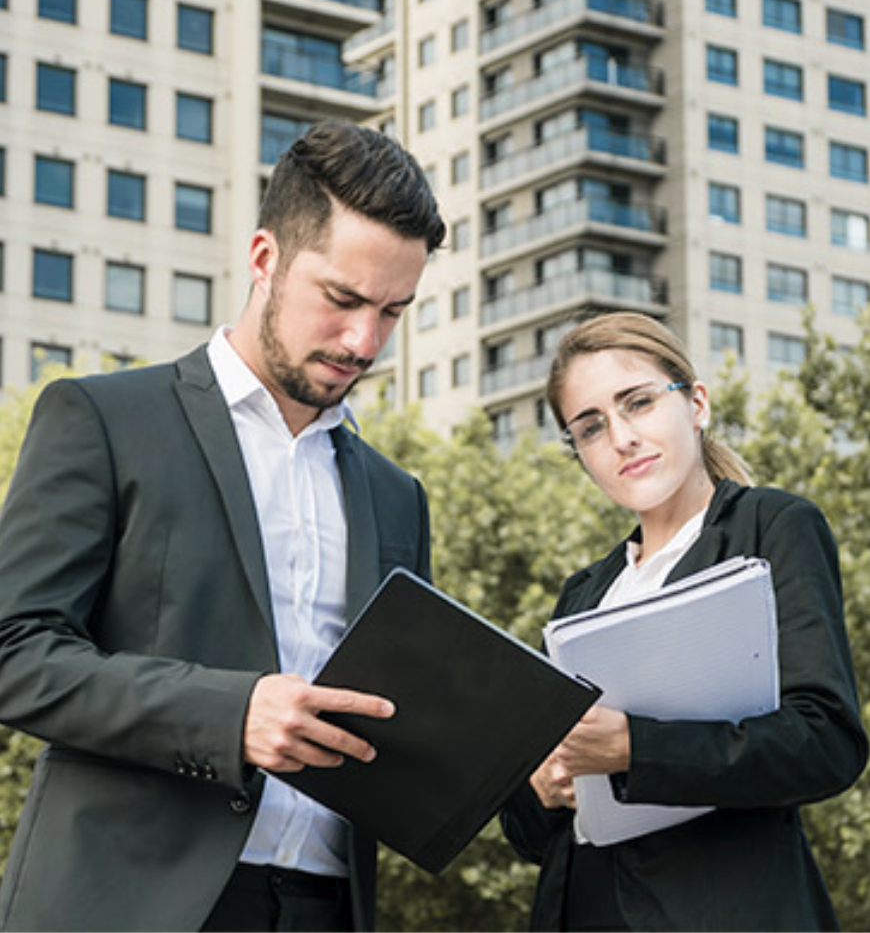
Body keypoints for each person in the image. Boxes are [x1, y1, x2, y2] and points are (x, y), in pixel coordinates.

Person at [0, 122, 445, 932]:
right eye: (342, 299)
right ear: (265, 257)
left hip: (324, 907)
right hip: (127, 905)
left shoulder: (398, 496)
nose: (363, 341)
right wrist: (228, 715)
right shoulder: (102, 419)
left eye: (393, 311)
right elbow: (14, 652)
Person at [501, 311, 868, 932]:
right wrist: (541, 787)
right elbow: (532, 837)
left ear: (695, 404)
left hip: (723, 909)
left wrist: (633, 748)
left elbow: (826, 742)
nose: (621, 438)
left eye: (638, 403)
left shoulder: (770, 527)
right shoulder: (581, 597)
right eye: (590, 427)